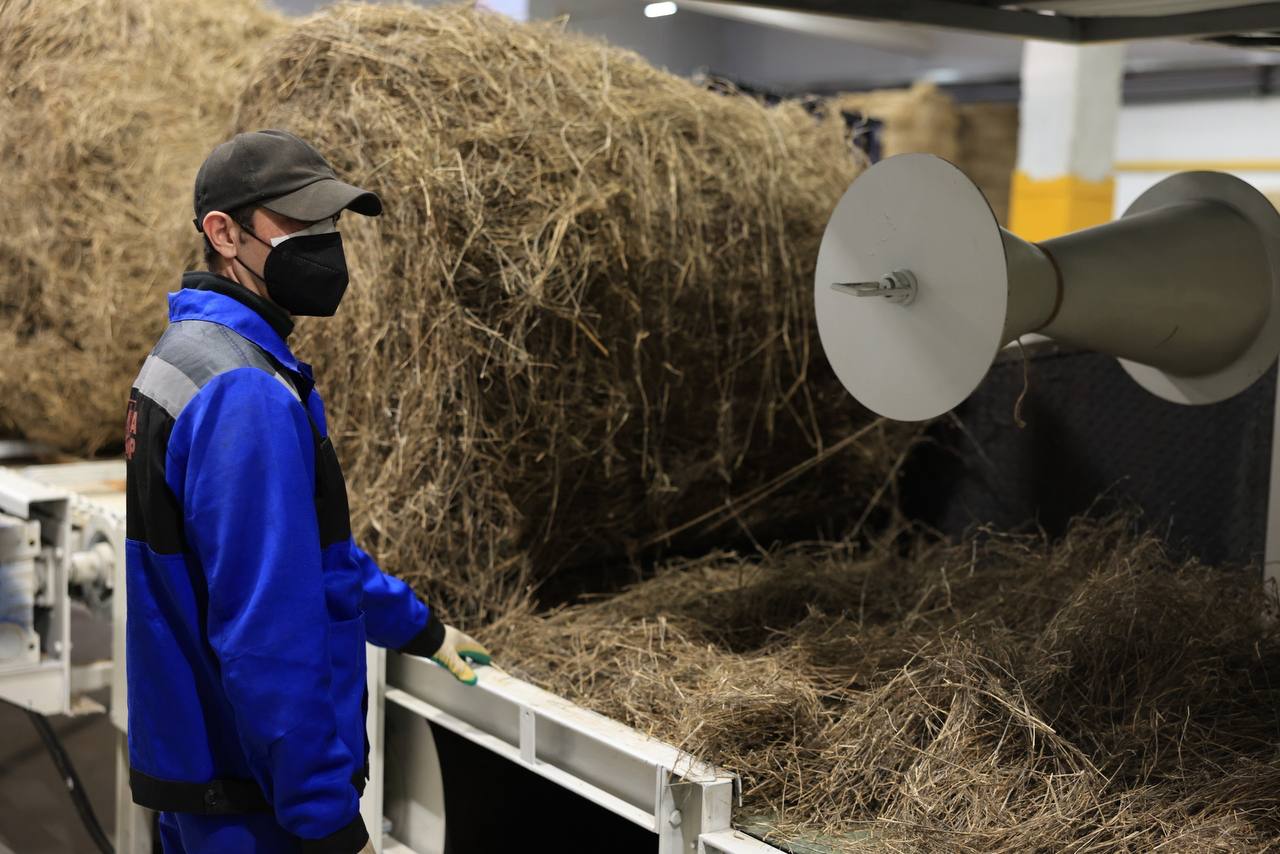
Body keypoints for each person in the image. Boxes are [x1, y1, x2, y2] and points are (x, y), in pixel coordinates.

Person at [123, 129, 491, 853]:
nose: (324, 243)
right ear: (223, 233)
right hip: (255, 802)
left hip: (206, 779)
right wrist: (323, 818)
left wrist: (418, 627)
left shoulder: (190, 355)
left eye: (329, 223)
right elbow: (266, 629)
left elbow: (306, 555)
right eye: (300, 224)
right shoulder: (244, 391)